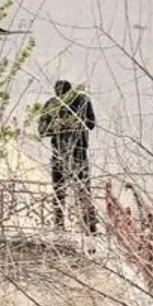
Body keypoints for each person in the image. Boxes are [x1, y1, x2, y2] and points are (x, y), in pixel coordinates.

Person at [38, 80, 98, 233]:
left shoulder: (82, 101)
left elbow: (91, 123)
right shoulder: (52, 104)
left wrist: (75, 122)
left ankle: (88, 226)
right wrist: (57, 126)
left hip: (78, 150)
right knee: (60, 189)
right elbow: (42, 130)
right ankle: (59, 225)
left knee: (82, 188)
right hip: (59, 151)